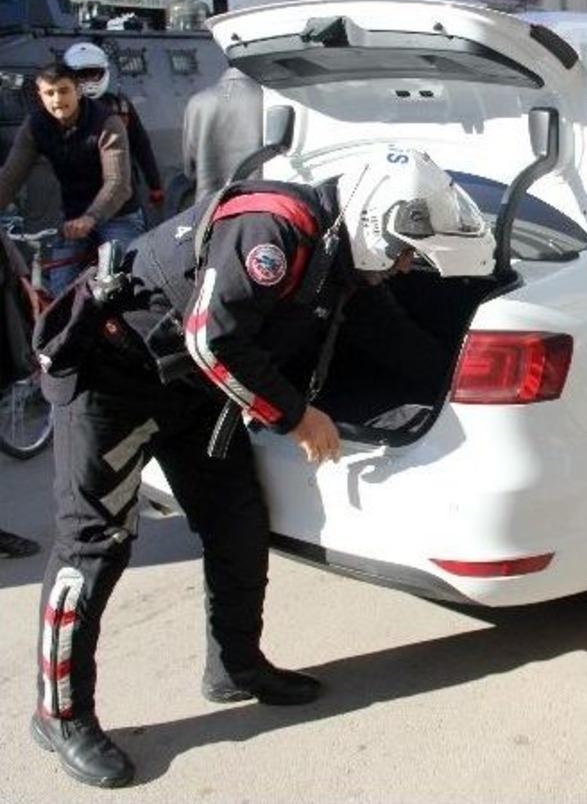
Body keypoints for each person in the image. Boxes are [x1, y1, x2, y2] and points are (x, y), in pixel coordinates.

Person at [28, 147, 487, 787]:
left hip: (195, 390)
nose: (407, 265)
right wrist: (298, 417)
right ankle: (61, 714)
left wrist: (454, 379)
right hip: (115, 377)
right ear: (379, 223)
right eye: (407, 253)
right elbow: (210, 339)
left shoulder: (341, 256)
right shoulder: (274, 230)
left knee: (238, 520)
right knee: (93, 547)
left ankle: (235, 666)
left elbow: (385, 331)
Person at [0, 62, 140, 297]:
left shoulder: (106, 122)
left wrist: (91, 218)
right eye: (49, 93)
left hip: (117, 214)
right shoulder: (35, 127)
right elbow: (10, 178)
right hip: (73, 219)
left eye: (63, 91)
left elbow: (118, 183)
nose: (56, 100)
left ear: (77, 90)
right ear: (40, 95)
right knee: (60, 293)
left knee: (126, 285)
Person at [63, 43, 164, 213]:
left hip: (120, 202)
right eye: (82, 75)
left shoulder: (121, 106)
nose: (88, 81)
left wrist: (155, 185)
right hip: (83, 202)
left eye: (93, 74)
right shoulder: (60, 110)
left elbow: (141, 146)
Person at [182, 66, 266, 206]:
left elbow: (189, 170)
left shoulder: (197, 102)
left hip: (211, 206)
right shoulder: (269, 97)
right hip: (262, 203)